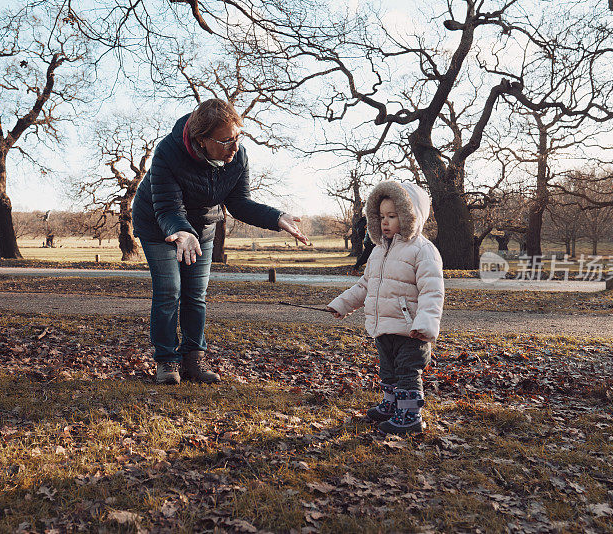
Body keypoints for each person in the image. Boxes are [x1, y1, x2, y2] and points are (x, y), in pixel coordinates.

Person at [132, 99, 308, 386]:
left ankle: (194, 359)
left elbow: (239, 202)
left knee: (195, 295)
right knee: (169, 290)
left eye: (238, 137)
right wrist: (181, 231)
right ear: (201, 140)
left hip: (202, 227)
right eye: (226, 141)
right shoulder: (167, 152)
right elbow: (167, 208)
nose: (234, 147)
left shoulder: (237, 157)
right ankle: (166, 360)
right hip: (159, 225)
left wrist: (276, 217)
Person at [327, 181, 444, 434]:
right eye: (381, 216)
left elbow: (432, 292)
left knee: (407, 372)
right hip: (384, 327)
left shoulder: (423, 251)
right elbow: (365, 285)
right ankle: (392, 406)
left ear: (410, 216)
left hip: (410, 330)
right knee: (389, 370)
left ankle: (410, 415)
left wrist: (424, 325)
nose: (385, 222)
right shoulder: (379, 251)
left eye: (392, 216)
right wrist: (342, 305)